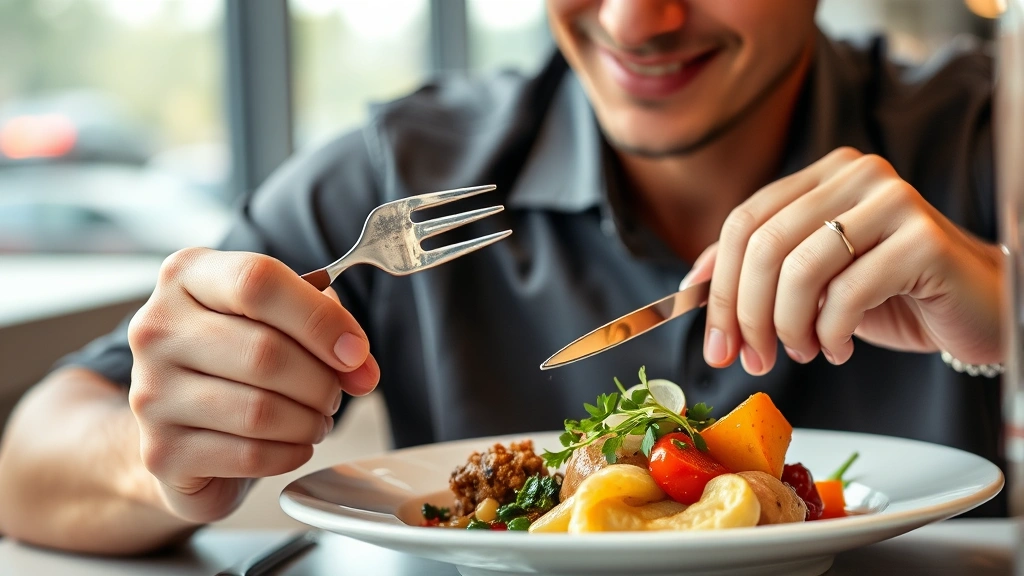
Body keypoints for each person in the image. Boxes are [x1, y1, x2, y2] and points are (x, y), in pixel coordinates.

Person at [0, 0, 1004, 554]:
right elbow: (33, 454)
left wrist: (1011, 316)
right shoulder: (407, 177)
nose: (634, 21)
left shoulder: (986, 133)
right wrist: (161, 453)